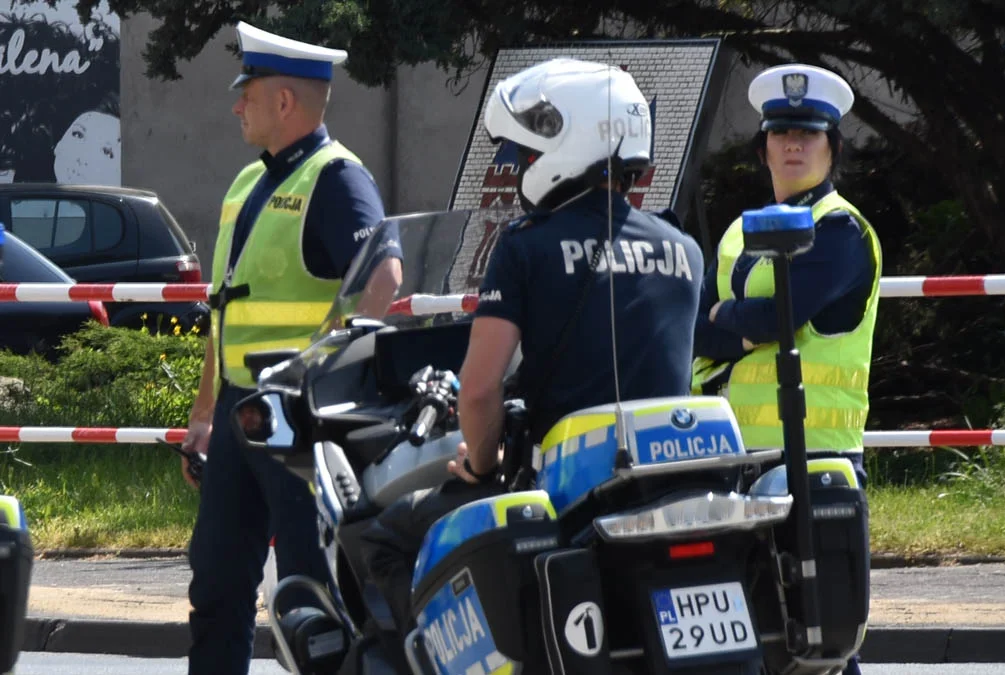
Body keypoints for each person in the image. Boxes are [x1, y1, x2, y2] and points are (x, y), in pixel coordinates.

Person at [355, 57, 704, 669]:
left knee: (381, 538)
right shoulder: (685, 250)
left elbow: (482, 387)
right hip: (669, 488)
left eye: (526, 152)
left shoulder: (526, 246)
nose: (517, 167)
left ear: (570, 143)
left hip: (567, 491)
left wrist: (481, 462)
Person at [180, 21, 401, 675]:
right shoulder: (246, 185)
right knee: (217, 588)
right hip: (239, 417)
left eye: (245, 92)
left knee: (310, 598)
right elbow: (224, 313)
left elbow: (384, 280)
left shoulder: (338, 179)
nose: (234, 104)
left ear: (284, 102)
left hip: (300, 419)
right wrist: (203, 412)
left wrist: (324, 381)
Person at [692, 63, 881, 674]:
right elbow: (695, 329)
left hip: (817, 460)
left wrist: (739, 322)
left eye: (808, 133)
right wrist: (741, 322)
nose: (793, 145)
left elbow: (780, 317)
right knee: (754, 641)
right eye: (780, 133)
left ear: (833, 147)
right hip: (735, 459)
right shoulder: (733, 236)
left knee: (823, 640)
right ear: (763, 147)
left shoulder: (843, 231)